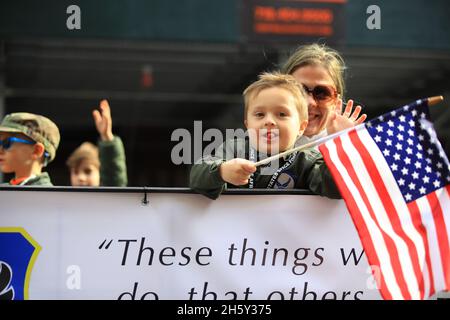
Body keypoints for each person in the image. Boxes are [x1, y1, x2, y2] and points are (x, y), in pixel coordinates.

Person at [190, 72, 340, 200]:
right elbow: (196, 176)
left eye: (282, 114)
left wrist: (341, 143)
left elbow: (336, 187)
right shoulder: (233, 149)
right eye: (260, 114)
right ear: (248, 124)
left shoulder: (308, 161)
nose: (269, 121)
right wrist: (221, 171)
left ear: (301, 127)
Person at [281, 43, 367, 146]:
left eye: (322, 93)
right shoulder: (260, 144)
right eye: (299, 90)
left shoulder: (352, 149)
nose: (310, 102)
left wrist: (344, 144)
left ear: (336, 101)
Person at [67, 99, 127, 187]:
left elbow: (114, 176)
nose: (81, 177)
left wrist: (106, 136)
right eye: (75, 172)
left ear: (100, 172)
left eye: (88, 171)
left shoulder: (107, 198)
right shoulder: (64, 199)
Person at [0, 112, 60, 186]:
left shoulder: (47, 195)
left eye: (6, 143)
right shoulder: (5, 190)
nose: (0, 150)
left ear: (36, 151)